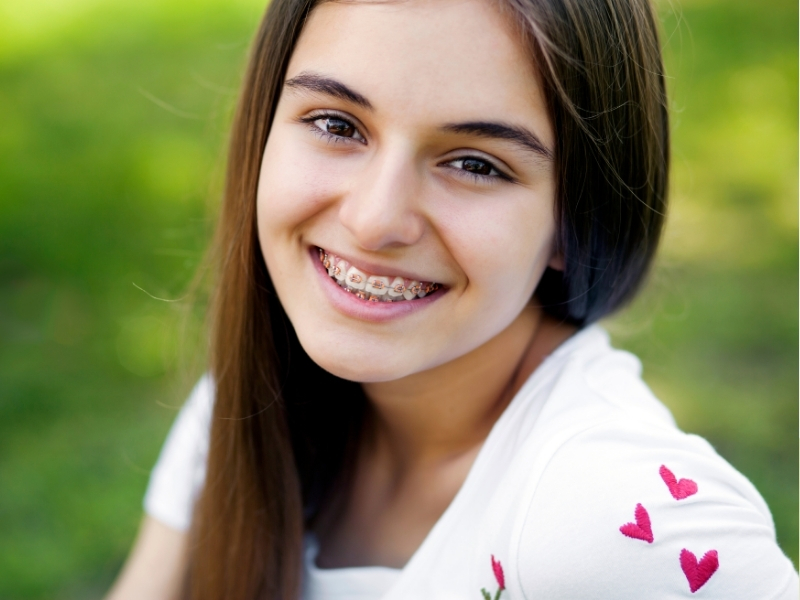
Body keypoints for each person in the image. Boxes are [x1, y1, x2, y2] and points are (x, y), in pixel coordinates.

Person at [106, 0, 799, 598]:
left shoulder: (614, 514)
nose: (375, 220)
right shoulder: (254, 400)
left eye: (475, 164)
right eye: (337, 125)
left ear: (575, 218)